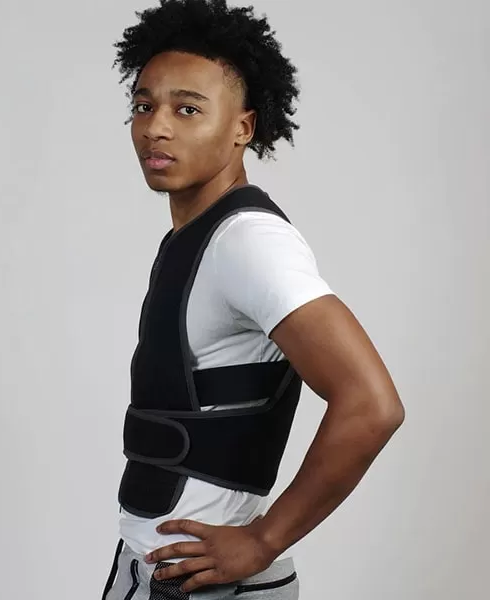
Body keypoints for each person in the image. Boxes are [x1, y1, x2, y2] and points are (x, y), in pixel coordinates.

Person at [102, 1, 405, 598]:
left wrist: (264, 540)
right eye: (143, 105)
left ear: (243, 128)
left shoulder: (249, 241)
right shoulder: (198, 236)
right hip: (152, 567)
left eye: (188, 109)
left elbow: (372, 404)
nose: (156, 127)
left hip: (201, 584)